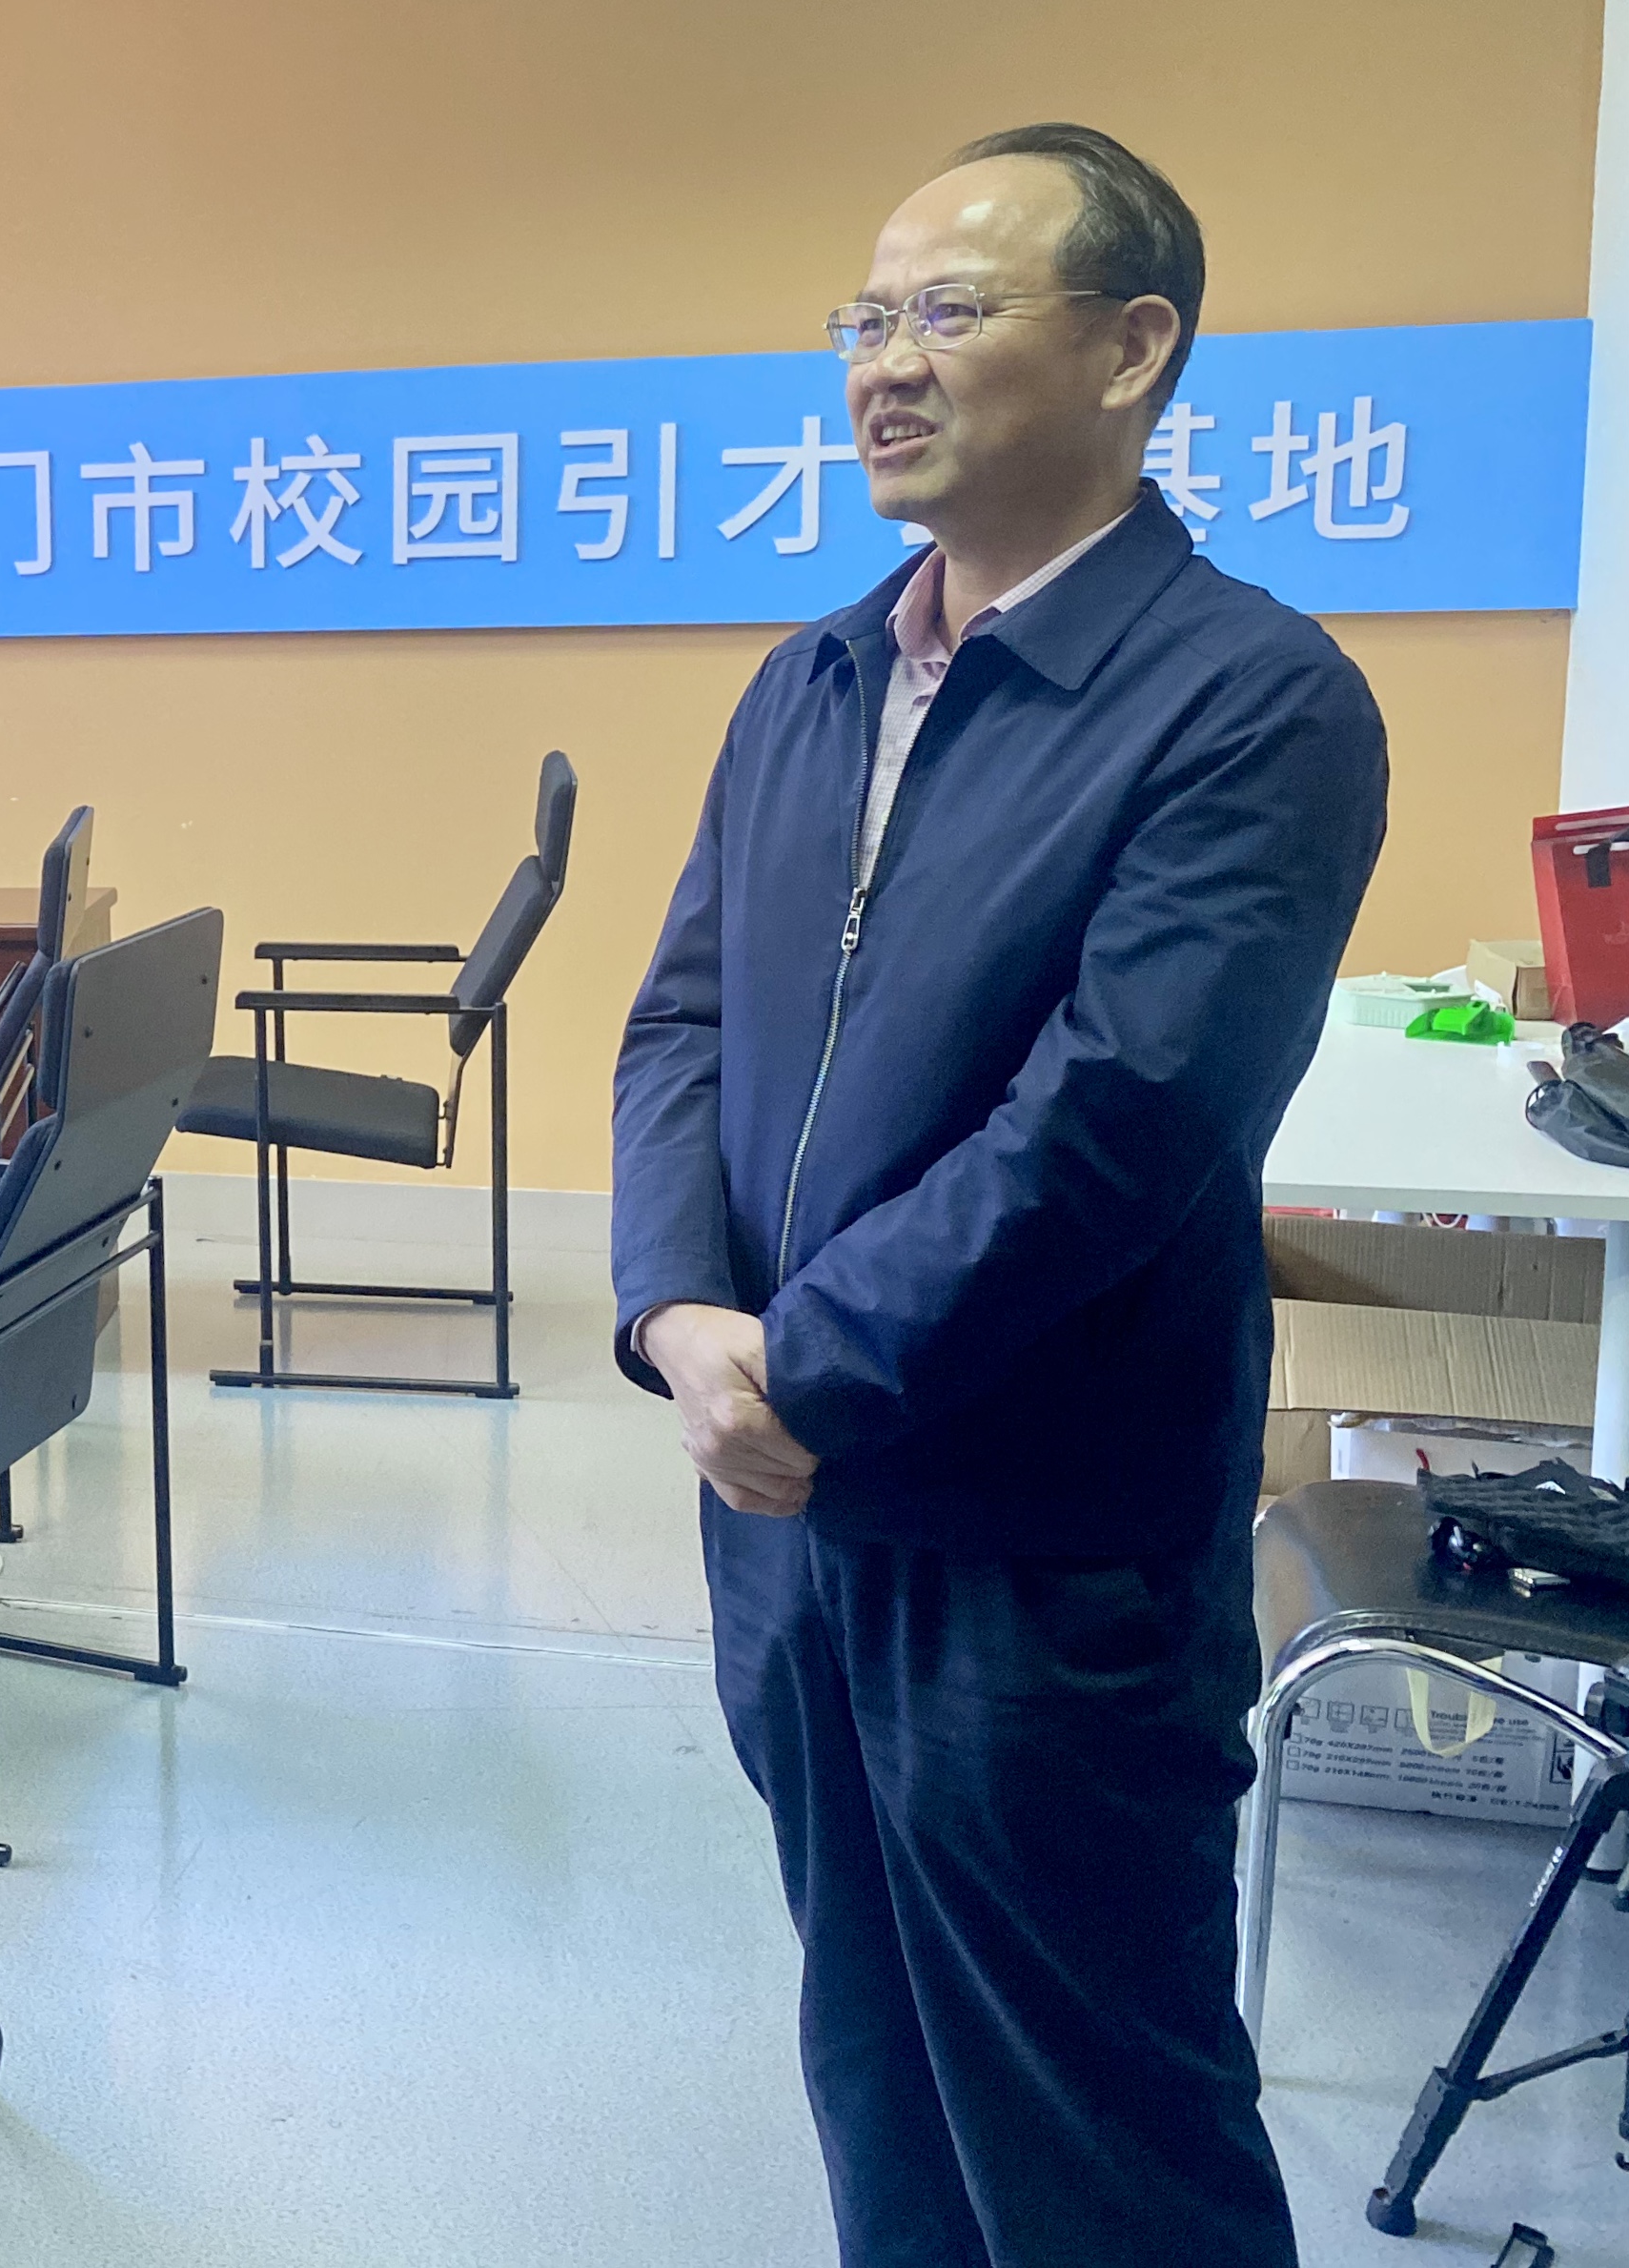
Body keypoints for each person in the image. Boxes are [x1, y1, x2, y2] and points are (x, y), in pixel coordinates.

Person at [612, 123, 1390, 2267]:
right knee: (872, 2063)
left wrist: (804, 1372)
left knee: (1096, 2119)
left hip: (1037, 1544)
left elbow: (1118, 1121)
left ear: (1134, 349)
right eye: (865, 317)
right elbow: (682, 1020)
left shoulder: (1251, 698)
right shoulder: (812, 680)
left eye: (950, 311)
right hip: (785, 1522)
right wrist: (677, 1318)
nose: (886, 363)